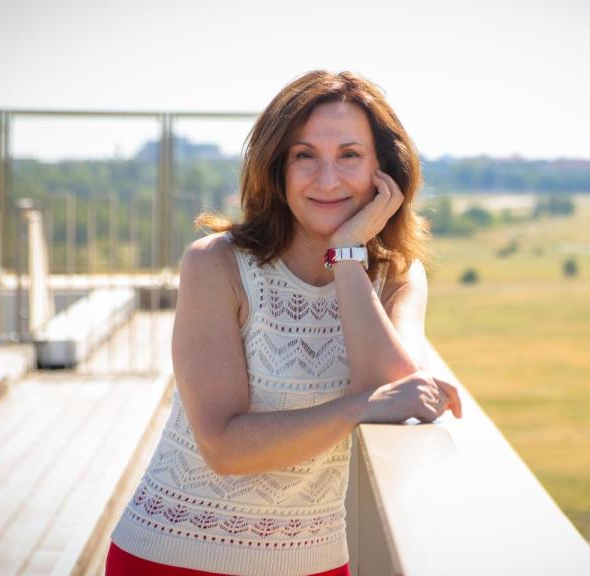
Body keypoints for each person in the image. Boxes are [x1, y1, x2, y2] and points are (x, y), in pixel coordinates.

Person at [107, 70, 462, 576]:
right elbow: (224, 447)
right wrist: (357, 408)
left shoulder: (397, 276)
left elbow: (395, 390)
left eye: (349, 155)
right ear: (277, 168)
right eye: (304, 156)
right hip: (175, 555)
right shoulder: (217, 265)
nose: (327, 179)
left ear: (384, 170)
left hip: (313, 560)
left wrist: (347, 258)